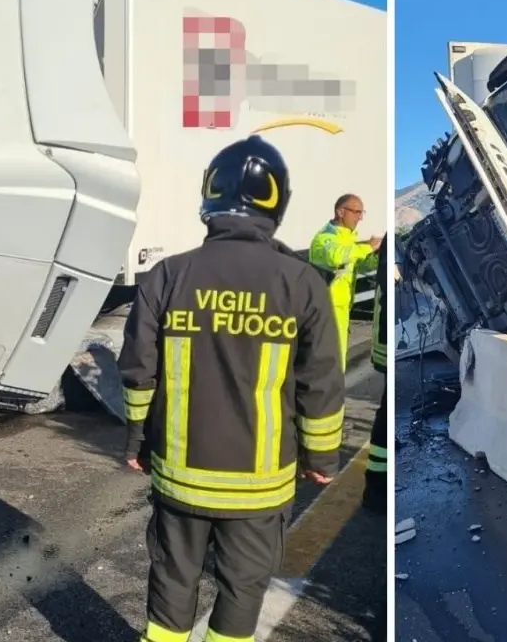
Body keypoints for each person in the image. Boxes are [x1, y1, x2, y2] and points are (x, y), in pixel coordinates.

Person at [118, 135, 346, 642]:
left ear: (209, 197)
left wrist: (137, 439)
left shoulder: (168, 275)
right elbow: (321, 383)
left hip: (180, 477)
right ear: (278, 204)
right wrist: (322, 458)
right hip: (259, 486)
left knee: (174, 581)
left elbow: (138, 368)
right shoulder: (302, 282)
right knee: (243, 589)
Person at [309, 194, 382, 371]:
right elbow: (336, 256)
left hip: (341, 308)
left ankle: (333, 395)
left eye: (361, 212)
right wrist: (368, 247)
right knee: (328, 359)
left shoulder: (347, 239)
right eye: (356, 212)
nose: (360, 217)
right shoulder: (324, 238)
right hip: (326, 308)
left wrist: (376, 256)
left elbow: (358, 264)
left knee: (337, 357)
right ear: (340, 212)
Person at [362, 232, 387, 513]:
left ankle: (377, 483)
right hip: (384, 341)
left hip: (383, 337)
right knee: (385, 412)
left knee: (385, 410)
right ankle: (376, 487)